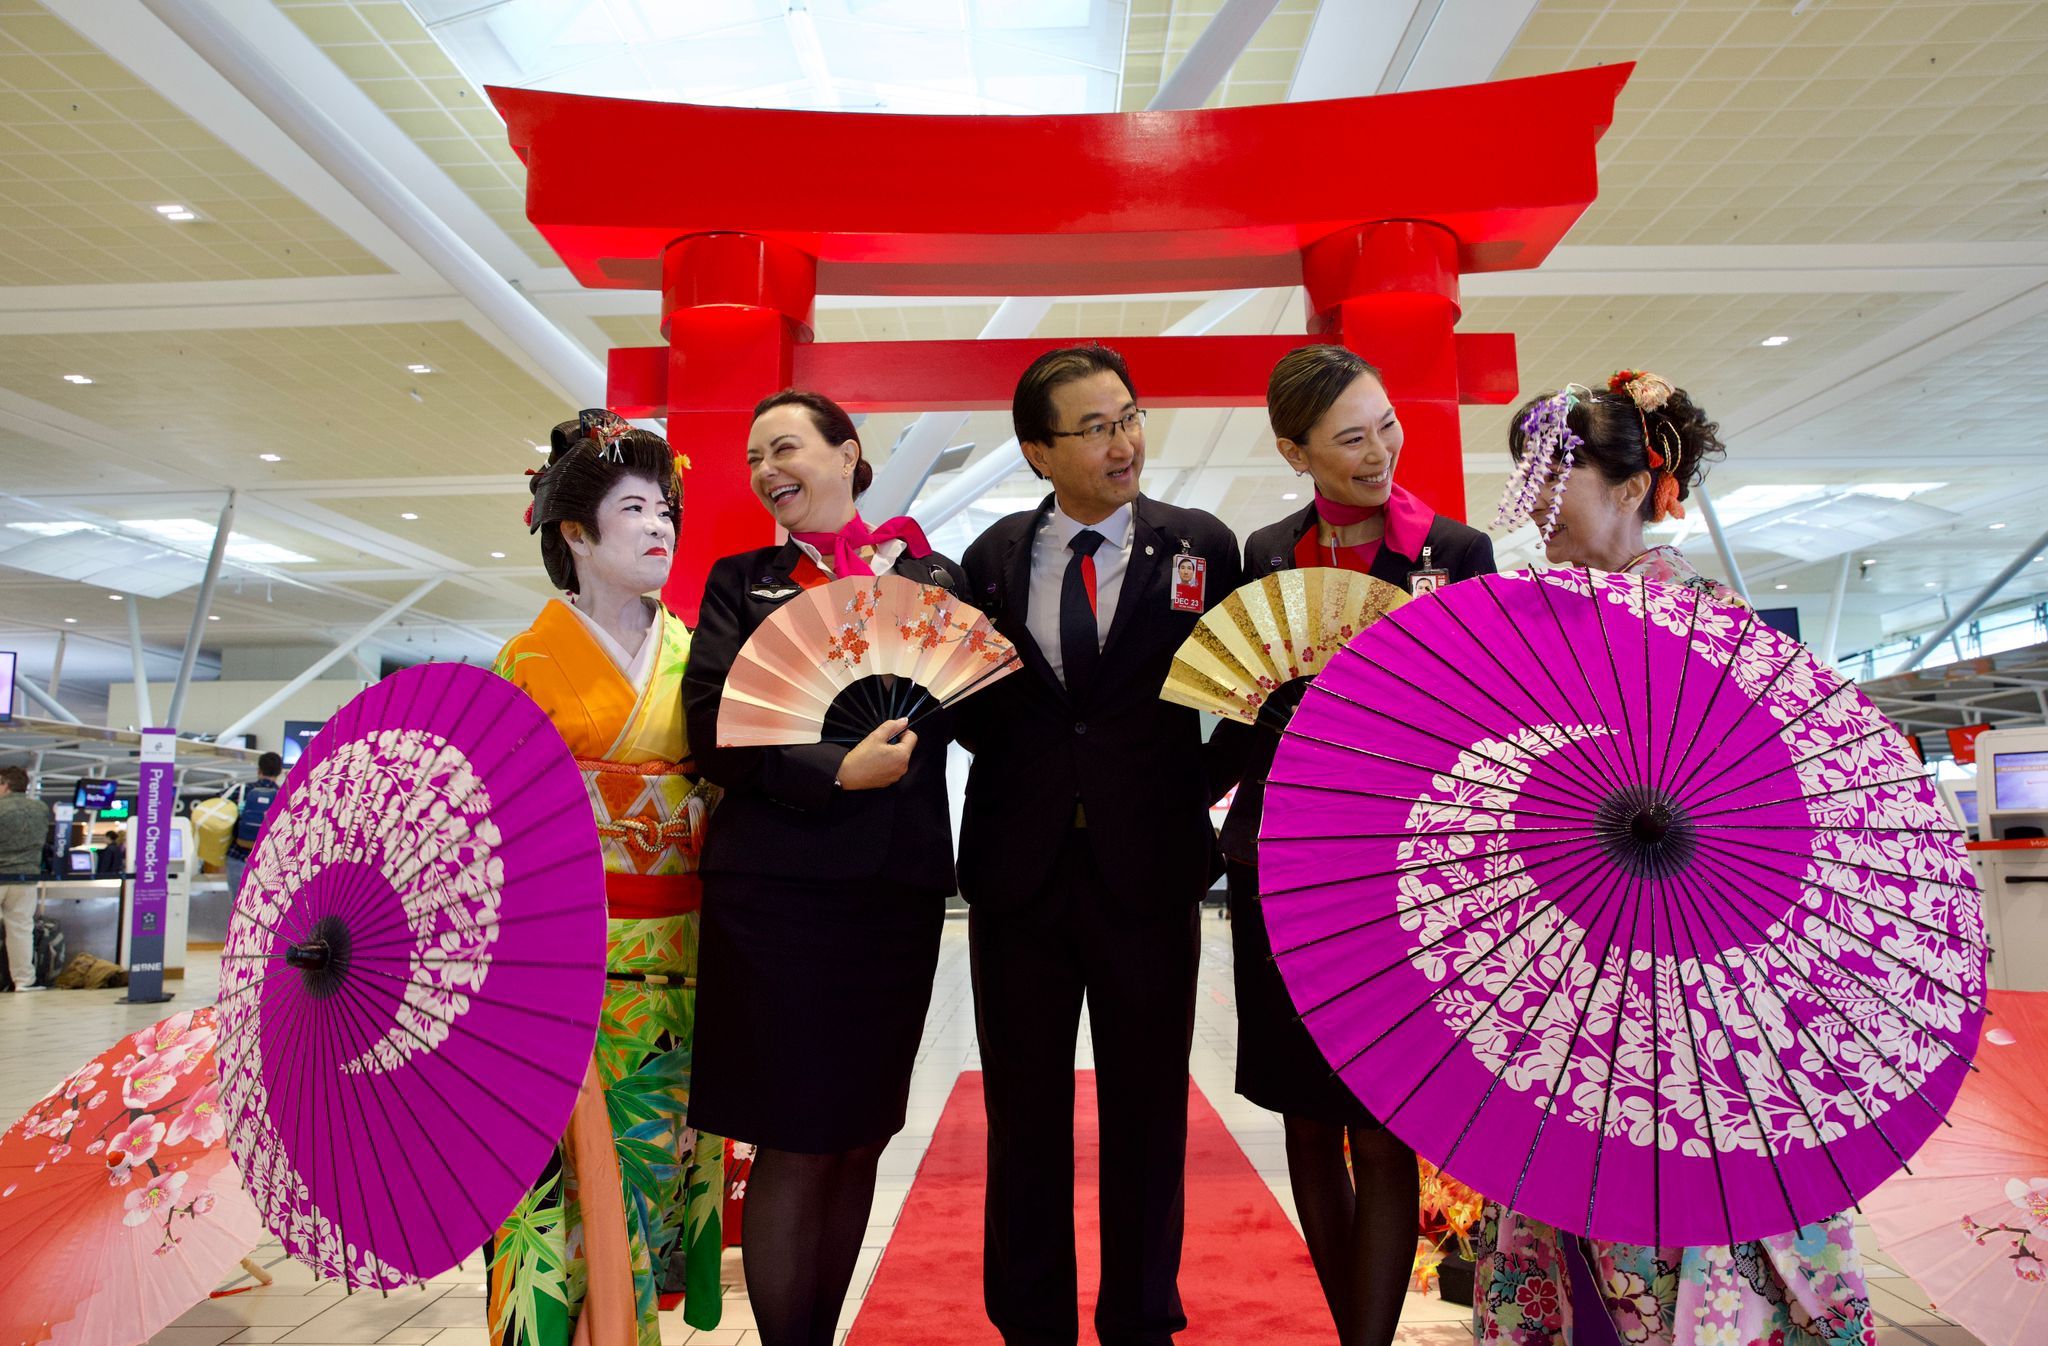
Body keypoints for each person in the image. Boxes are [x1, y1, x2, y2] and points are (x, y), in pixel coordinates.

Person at [1474, 370, 1874, 1346]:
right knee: (1564, 1209)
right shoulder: (1529, 622)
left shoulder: (1706, 619)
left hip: (1686, 961)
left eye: (1549, 475)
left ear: (1622, 484)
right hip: (1565, 961)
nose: (1529, 504)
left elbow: (1777, 809)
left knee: (1671, 1207)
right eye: (1521, 478)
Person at [954, 344, 1243, 1346]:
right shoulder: (991, 557)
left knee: (1147, 1113)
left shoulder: (1199, 545)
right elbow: (966, 698)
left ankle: (1140, 1316)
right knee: (1022, 1117)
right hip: (1018, 876)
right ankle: (1029, 1318)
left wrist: (1175, 793)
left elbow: (1241, 695)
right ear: (1037, 449)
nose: (1122, 442)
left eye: (1127, 416)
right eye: (1093, 427)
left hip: (1148, 874)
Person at [1217, 345, 1495, 1346]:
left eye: (1385, 424)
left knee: (1382, 1123)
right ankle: (1350, 1331)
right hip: (1279, 865)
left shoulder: (1454, 555)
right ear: (1295, 450)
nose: (1378, 451)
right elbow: (1240, 714)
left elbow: (1485, 718)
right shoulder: (1262, 554)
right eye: (1348, 438)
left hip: (1398, 875)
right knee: (1302, 1115)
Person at [682, 390, 966, 1346]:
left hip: (896, 894)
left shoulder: (932, 576)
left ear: (849, 454)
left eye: (786, 445)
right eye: (755, 454)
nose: (767, 468)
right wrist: (835, 770)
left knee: (860, 1136)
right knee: (795, 1143)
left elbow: (969, 701)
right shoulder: (741, 582)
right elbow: (712, 723)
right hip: (777, 896)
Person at [487, 409, 725, 1346]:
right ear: (575, 532)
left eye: (664, 505)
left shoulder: (698, 652)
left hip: (681, 959)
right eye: (633, 507)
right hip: (563, 964)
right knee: (561, 1186)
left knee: (650, 1166)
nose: (659, 523)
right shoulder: (527, 662)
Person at [0, 765, 53, 992]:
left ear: (5, 784)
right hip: (26, 878)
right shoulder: (40, 809)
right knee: (21, 929)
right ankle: (23, 980)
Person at [224, 753, 283, 897]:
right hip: (269, 861)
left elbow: (215, 808)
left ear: (258, 770)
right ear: (279, 772)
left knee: (237, 907)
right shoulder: (284, 795)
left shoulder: (241, 790)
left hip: (238, 854)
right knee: (264, 908)